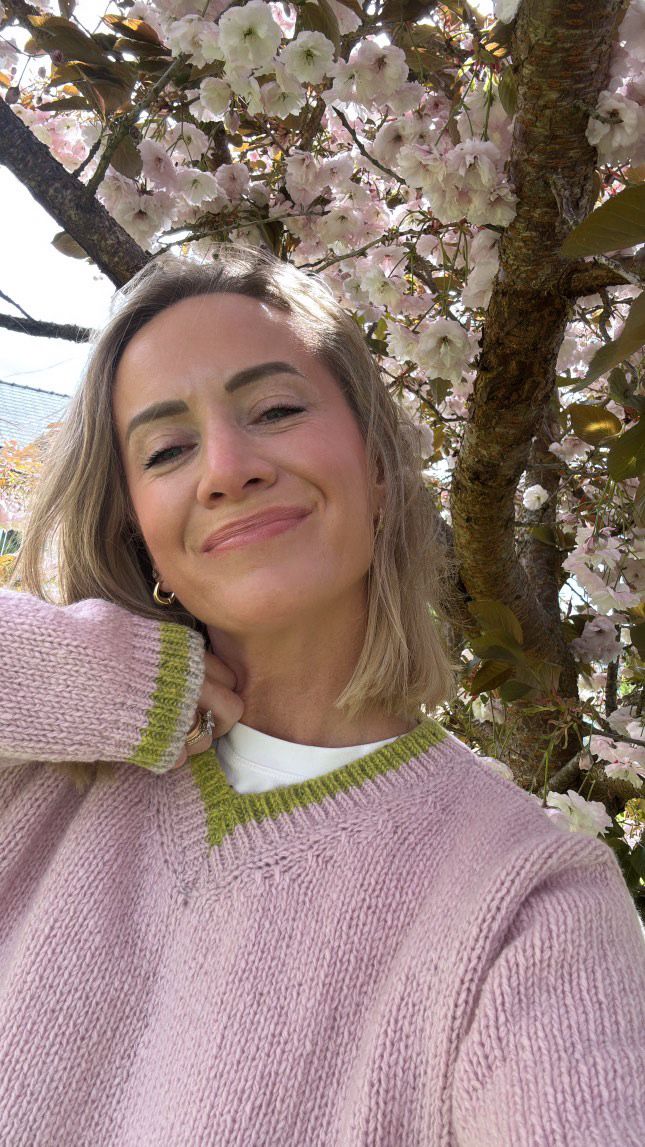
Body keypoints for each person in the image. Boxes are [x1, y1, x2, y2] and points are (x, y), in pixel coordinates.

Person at [0, 246, 643, 1147]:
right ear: (137, 530)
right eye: (168, 449)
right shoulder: (40, 771)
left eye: (275, 409)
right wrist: (100, 678)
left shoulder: (524, 901)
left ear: (376, 468)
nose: (227, 468)